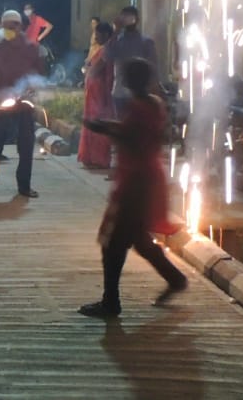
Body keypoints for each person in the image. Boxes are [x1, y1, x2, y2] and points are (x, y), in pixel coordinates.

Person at [79, 58, 187, 318]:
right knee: (138, 238)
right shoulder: (154, 103)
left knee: (113, 242)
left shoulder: (139, 106)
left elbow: (133, 137)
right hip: (146, 177)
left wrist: (103, 127)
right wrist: (107, 126)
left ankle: (111, 302)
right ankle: (174, 279)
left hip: (136, 181)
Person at [0, 10, 45, 198]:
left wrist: (32, 92)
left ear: (20, 26)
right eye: (6, 26)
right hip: (2, 104)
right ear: (2, 27)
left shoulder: (31, 48)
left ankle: (24, 186)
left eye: (14, 25)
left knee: (26, 146)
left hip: (24, 104)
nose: (10, 29)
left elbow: (39, 76)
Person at [104, 5, 160, 115]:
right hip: (120, 92)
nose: (128, 20)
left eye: (130, 17)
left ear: (137, 20)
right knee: (122, 126)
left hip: (141, 94)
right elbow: (107, 56)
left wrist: (154, 89)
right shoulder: (117, 41)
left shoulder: (146, 42)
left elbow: (153, 68)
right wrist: (115, 31)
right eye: (124, 17)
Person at [79, 21, 116, 169]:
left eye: (98, 35)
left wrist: (88, 69)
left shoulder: (107, 50)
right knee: (93, 124)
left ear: (106, 34)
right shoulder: (103, 49)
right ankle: (91, 157)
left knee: (97, 126)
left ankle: (99, 158)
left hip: (100, 95)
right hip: (94, 94)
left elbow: (95, 70)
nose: (96, 38)